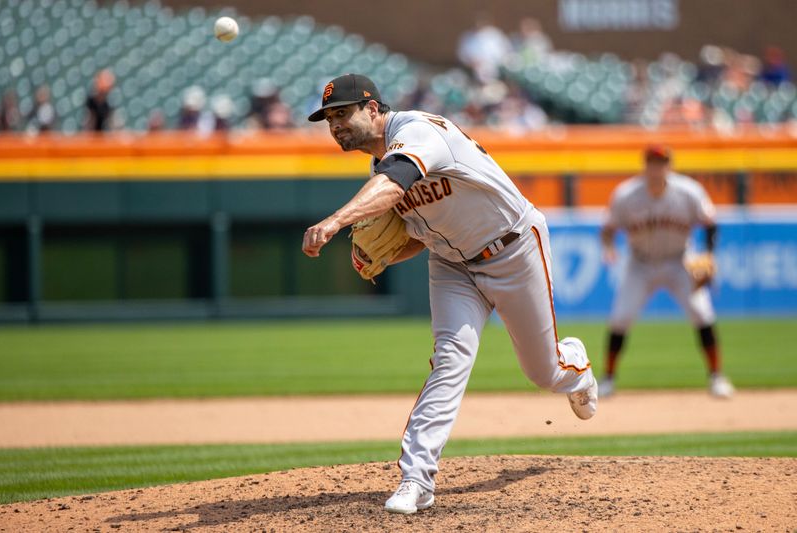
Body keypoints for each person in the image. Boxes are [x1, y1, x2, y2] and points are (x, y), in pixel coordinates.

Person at [301, 74, 597, 514]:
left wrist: (336, 221)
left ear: (373, 109)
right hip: (451, 264)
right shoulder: (379, 166)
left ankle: (576, 367)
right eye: (329, 119)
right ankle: (416, 479)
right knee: (450, 358)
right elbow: (421, 235)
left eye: (343, 113)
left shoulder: (418, 133)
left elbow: (397, 179)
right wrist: (381, 257)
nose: (336, 125)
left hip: (512, 248)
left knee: (544, 372)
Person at [599, 145, 735, 399]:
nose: (656, 168)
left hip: (679, 261)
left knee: (702, 314)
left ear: (669, 166)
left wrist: (708, 253)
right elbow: (608, 228)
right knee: (620, 318)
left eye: (661, 162)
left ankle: (717, 377)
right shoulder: (626, 194)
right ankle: (607, 380)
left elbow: (710, 222)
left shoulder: (688, 191)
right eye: (652, 162)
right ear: (645, 165)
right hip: (639, 263)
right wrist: (608, 248)